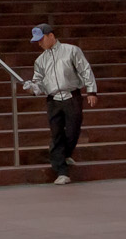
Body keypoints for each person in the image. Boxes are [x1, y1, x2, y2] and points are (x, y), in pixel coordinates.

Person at [22, 22, 98, 185]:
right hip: (53, 99)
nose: (40, 44)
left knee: (73, 130)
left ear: (51, 36)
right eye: (37, 41)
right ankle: (61, 170)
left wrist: (91, 91)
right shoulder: (40, 61)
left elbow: (85, 69)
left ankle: (66, 153)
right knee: (56, 134)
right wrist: (31, 88)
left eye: (41, 39)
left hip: (72, 96)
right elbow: (39, 83)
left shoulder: (71, 51)